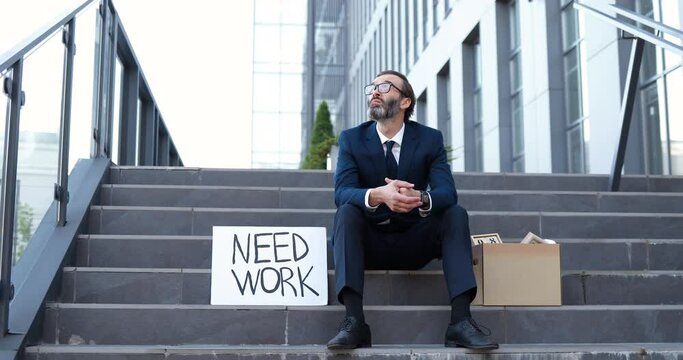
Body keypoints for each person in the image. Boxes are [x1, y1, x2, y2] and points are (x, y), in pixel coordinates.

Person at [327, 70, 498, 350]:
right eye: (372, 87)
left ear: (405, 101)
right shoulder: (351, 139)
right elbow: (342, 192)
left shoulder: (429, 140)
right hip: (370, 243)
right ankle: (354, 321)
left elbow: (447, 192)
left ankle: (461, 322)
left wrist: (419, 197)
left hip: (415, 241)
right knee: (346, 211)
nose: (375, 92)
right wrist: (378, 195)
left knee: (455, 214)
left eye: (384, 86)